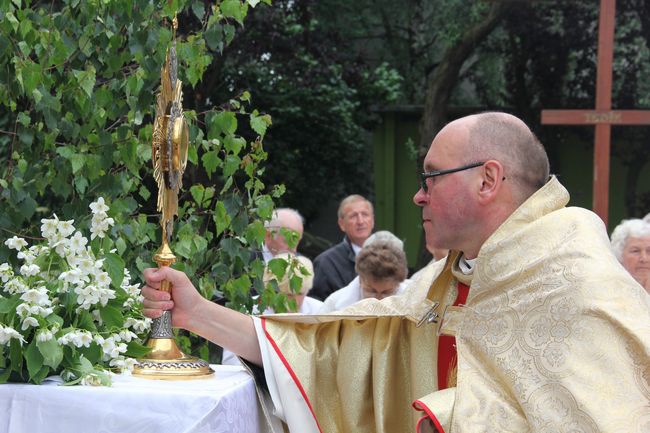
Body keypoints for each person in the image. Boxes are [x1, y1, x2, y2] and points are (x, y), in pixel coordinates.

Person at [142, 112, 650, 433]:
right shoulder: (445, 280)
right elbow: (337, 354)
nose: (419, 195)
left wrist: (457, 419)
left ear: (489, 179)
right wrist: (198, 315)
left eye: (431, 177)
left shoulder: (579, 282)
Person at [222, 253, 323, 366]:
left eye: (299, 294)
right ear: (270, 290)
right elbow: (231, 362)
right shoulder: (248, 311)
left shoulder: (320, 311)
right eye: (287, 294)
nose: (293, 300)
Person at [320, 231, 410, 313]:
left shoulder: (417, 302)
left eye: (387, 292)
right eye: (371, 291)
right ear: (360, 278)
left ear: (399, 283)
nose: (378, 300)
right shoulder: (333, 305)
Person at [310, 194, 374, 300]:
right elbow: (318, 306)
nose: (360, 221)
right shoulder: (326, 262)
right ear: (341, 224)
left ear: (372, 220)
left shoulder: (389, 256)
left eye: (365, 214)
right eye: (353, 216)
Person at [610, 218, 650, 292]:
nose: (644, 259)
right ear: (619, 254)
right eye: (636, 251)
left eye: (649, 251)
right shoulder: (609, 289)